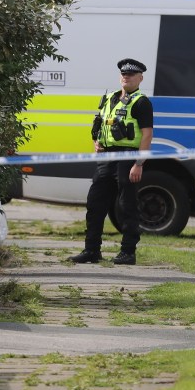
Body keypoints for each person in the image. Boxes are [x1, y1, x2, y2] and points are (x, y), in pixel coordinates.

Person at [68, 58, 154, 265]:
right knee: (95, 203)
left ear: (140, 78)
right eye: (124, 74)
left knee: (127, 205)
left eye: (131, 75)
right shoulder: (109, 98)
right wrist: (97, 141)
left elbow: (147, 135)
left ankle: (128, 252)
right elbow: (100, 124)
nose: (127, 77)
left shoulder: (141, 102)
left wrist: (138, 164)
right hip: (107, 156)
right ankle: (91, 250)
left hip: (127, 157)